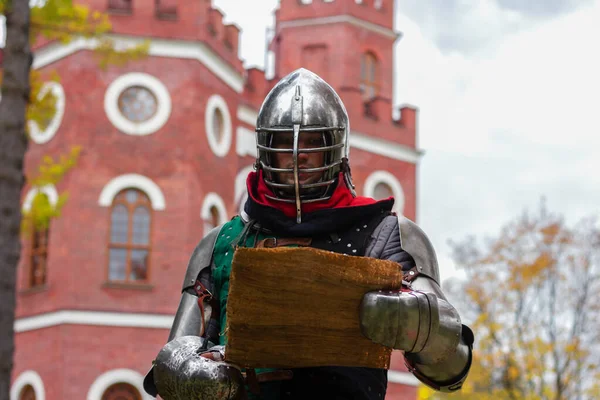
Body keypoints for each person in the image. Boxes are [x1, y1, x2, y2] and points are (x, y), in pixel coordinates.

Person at [143, 68, 473, 400]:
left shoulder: (387, 234)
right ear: (266, 148)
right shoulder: (223, 240)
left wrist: (419, 321)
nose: (299, 153)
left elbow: (451, 368)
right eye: (285, 142)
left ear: (334, 147)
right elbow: (171, 363)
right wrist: (194, 371)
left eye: (313, 141)